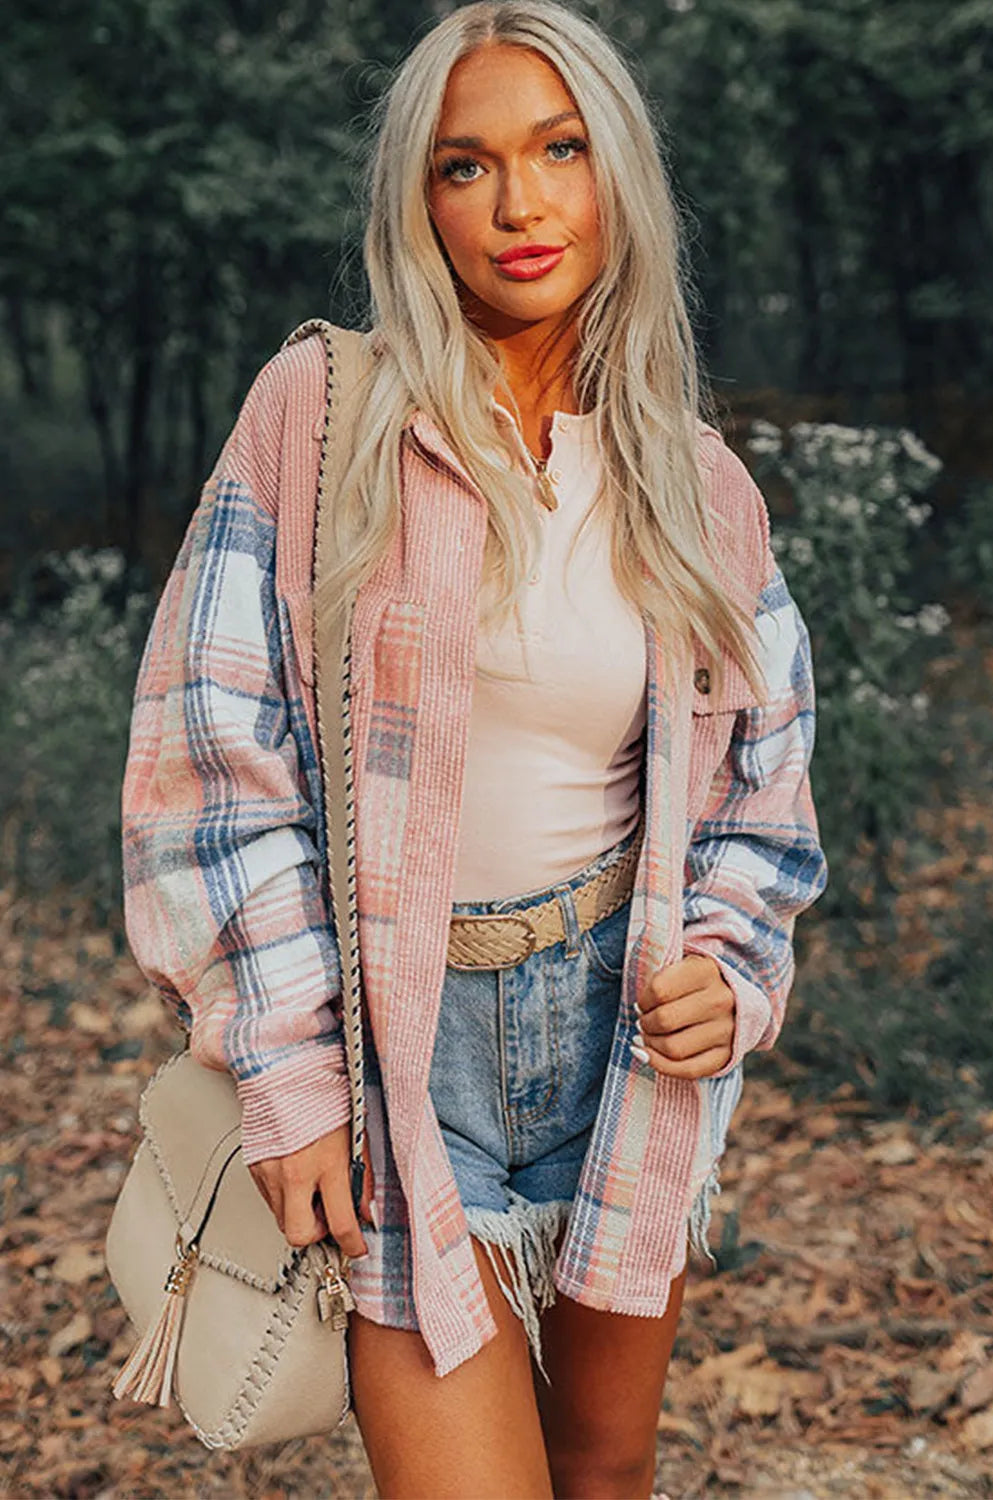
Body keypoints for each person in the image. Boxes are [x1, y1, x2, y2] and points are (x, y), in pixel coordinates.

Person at [121, 2, 828, 1495]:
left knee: (603, 1474)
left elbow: (761, 782)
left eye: (557, 150)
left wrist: (729, 964)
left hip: (622, 1036)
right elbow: (214, 762)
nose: (520, 205)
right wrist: (292, 1075)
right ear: (416, 200)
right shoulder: (323, 415)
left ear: (614, 174)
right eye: (466, 166)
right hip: (400, 1050)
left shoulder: (695, 482)